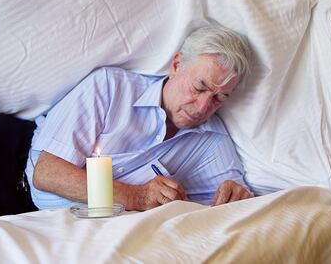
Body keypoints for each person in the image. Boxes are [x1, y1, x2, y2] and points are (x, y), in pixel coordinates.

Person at [26, 23, 253, 211]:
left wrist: (237, 197)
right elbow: (46, 174)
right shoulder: (110, 87)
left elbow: (237, 206)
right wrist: (136, 196)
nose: (203, 107)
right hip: (10, 180)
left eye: (219, 98)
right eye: (199, 87)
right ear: (176, 65)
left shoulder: (213, 140)